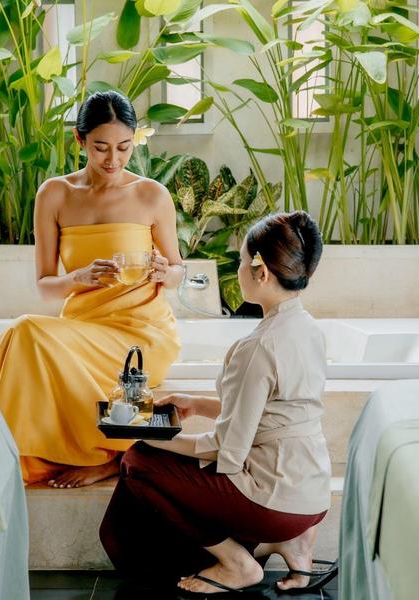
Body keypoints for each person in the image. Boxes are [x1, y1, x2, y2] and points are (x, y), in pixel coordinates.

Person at [99, 211, 333, 596]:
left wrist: (143, 435)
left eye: (241, 261)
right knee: (155, 453)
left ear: (261, 273)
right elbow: (275, 412)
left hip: (276, 500)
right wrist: (199, 404)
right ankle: (297, 543)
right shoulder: (308, 328)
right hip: (311, 491)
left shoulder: (258, 347)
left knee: (139, 463)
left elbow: (228, 450)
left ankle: (237, 564)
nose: (238, 269)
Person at [0, 91, 183, 488]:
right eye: (101, 147)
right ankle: (22, 455)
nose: (113, 160)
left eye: (124, 147)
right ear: (80, 140)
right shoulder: (54, 194)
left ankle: (107, 454)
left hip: (142, 337)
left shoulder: (151, 195)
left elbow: (178, 268)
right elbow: (44, 287)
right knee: (22, 334)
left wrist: (166, 271)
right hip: (83, 328)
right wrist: (80, 278)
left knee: (25, 333)